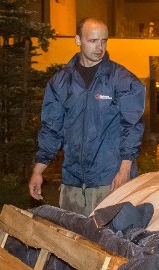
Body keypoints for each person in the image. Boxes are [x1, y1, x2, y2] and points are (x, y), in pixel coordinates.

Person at [29, 17, 145, 216]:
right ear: (77, 40)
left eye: (104, 41)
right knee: (71, 243)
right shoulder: (60, 83)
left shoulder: (122, 80)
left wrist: (125, 169)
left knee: (109, 246)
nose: (99, 47)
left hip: (110, 182)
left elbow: (132, 126)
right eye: (92, 41)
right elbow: (51, 129)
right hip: (72, 184)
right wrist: (38, 171)